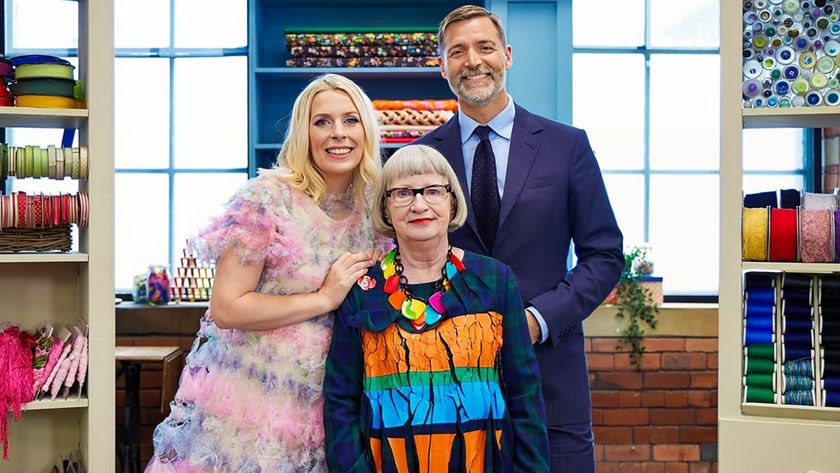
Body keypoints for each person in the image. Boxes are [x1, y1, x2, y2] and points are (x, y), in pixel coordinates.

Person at [415, 6, 625, 472]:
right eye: (457, 52)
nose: (473, 60)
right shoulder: (422, 156)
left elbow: (604, 255)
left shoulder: (567, 145)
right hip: (451, 380)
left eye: (485, 47)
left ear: (506, 55)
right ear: (443, 66)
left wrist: (536, 320)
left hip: (549, 374)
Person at [145, 74, 385, 473]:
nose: (337, 133)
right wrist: (323, 298)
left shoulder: (377, 209)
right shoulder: (266, 199)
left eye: (350, 120)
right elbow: (227, 307)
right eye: (322, 121)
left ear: (367, 129)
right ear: (302, 133)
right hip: (254, 403)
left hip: (335, 402)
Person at [323, 144, 549, 473]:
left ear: (452, 200)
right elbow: (340, 401)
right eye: (402, 193)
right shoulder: (361, 289)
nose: (419, 204)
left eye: (432, 190)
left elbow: (524, 392)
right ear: (386, 208)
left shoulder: (495, 280)